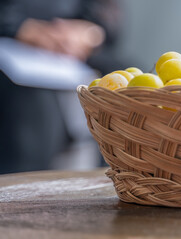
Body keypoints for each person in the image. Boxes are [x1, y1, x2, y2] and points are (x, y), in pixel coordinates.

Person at [0, 0, 123, 173]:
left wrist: (86, 34)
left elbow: (108, 22)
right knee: (34, 105)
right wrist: (24, 29)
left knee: (122, 93)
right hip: (12, 47)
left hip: (77, 54)